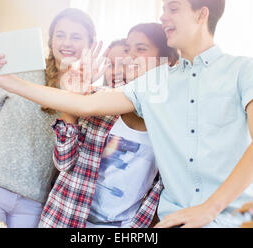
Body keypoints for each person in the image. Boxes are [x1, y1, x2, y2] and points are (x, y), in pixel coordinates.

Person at [0, 0, 253, 228]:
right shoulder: (157, 81)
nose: (163, 17)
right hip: (176, 220)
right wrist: (7, 81)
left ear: (201, 14)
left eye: (173, 9)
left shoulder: (242, 69)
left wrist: (210, 208)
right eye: (163, 10)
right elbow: (85, 105)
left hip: (234, 219)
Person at [0, 8, 96, 228]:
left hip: (33, 201)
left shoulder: (91, 98)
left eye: (76, 37)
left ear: (91, 44)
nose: (66, 43)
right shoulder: (27, 70)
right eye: (60, 35)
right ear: (51, 40)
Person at [39, 23, 178, 228]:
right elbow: (63, 163)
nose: (129, 58)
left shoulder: (174, 123)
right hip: (65, 219)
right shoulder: (97, 101)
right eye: (128, 51)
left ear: (169, 61)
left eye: (140, 49)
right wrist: (70, 102)